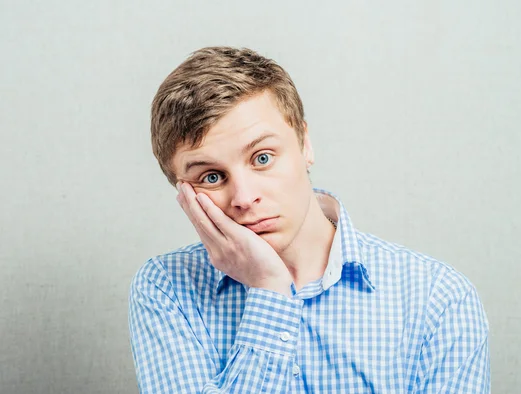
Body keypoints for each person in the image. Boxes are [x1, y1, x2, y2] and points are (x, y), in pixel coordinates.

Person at [128, 46, 490, 393]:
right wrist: (269, 287)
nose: (243, 198)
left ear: (305, 145)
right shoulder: (168, 289)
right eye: (211, 177)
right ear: (184, 195)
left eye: (263, 158)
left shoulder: (438, 300)